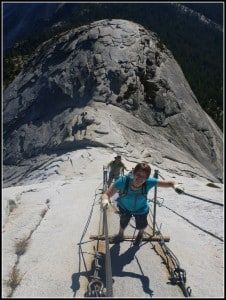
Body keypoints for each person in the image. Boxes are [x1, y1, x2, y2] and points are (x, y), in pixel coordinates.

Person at [101, 162, 183, 246]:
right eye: (138, 174)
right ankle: (120, 234)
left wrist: (175, 186)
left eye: (144, 176)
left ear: (147, 178)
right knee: (123, 222)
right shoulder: (123, 181)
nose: (140, 178)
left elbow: (170, 183)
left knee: (141, 225)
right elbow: (106, 194)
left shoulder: (148, 182)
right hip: (125, 207)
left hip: (141, 209)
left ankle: (140, 235)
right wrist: (105, 201)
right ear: (133, 173)